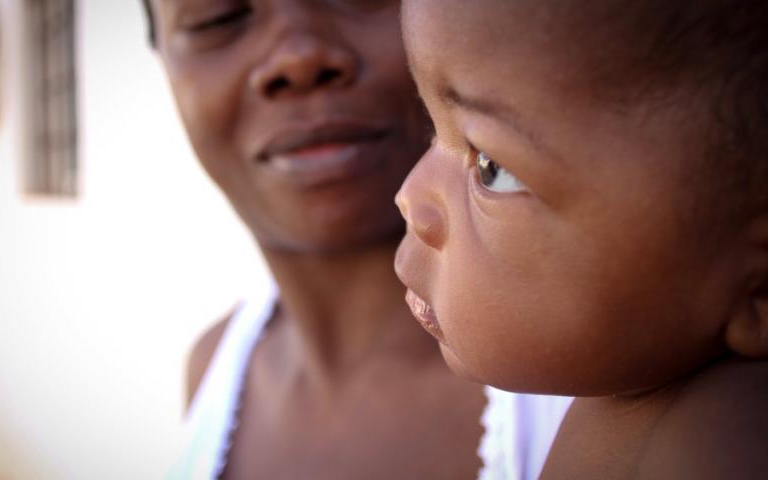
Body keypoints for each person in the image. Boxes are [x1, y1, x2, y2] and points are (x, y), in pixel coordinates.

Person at [140, 1, 571, 479]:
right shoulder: (214, 369)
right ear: (162, 59)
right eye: (215, 17)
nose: (299, 59)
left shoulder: (601, 389)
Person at [395, 0, 768, 478]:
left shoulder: (725, 442)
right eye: (433, 127)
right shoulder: (643, 394)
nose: (411, 198)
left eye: (494, 166)